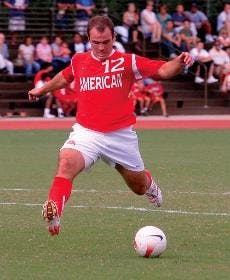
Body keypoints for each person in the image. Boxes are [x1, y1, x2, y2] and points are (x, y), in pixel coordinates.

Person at [28, 15, 193, 236]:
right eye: (96, 42)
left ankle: (150, 186)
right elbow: (65, 77)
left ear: (113, 37)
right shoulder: (79, 60)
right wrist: (42, 89)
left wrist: (179, 63)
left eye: (106, 41)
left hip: (120, 136)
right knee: (66, 162)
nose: (101, 47)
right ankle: (54, 209)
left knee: (138, 187)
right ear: (88, 39)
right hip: (87, 133)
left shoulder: (128, 62)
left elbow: (162, 71)